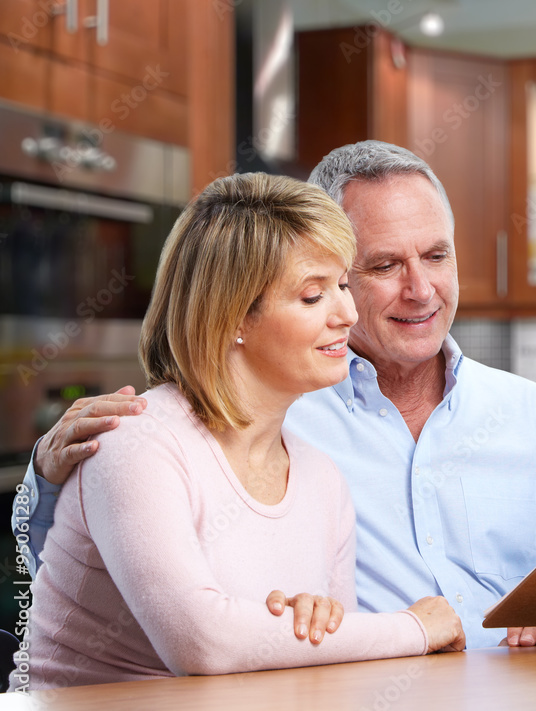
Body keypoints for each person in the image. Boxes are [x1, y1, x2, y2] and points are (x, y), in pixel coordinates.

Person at [16, 142, 536, 650]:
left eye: (436, 256)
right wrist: (47, 480)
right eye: (383, 266)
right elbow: (113, 585)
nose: (420, 290)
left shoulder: (531, 415)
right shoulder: (273, 405)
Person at [12, 173, 464, 691]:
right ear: (231, 318)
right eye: (314, 296)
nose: (349, 313)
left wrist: (313, 624)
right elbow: (203, 644)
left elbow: (337, 665)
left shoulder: (322, 479)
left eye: (342, 285)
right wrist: (415, 627)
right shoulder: (135, 442)